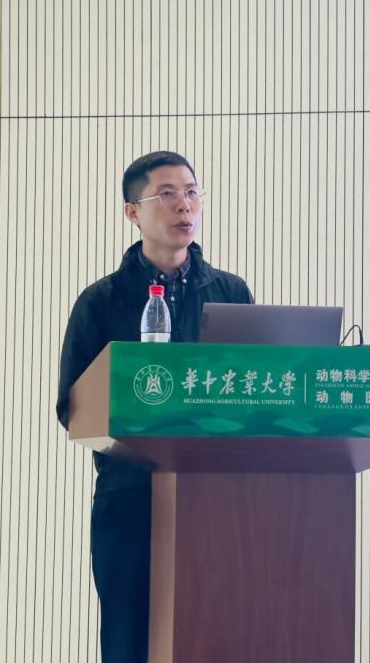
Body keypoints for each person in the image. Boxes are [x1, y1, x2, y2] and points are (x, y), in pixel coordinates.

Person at [56, 151, 253, 661]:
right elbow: (72, 407)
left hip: (217, 500)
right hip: (131, 497)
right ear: (133, 212)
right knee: (130, 640)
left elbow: (254, 396)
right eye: (166, 194)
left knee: (213, 636)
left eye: (192, 192)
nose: (184, 205)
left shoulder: (231, 292)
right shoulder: (101, 301)